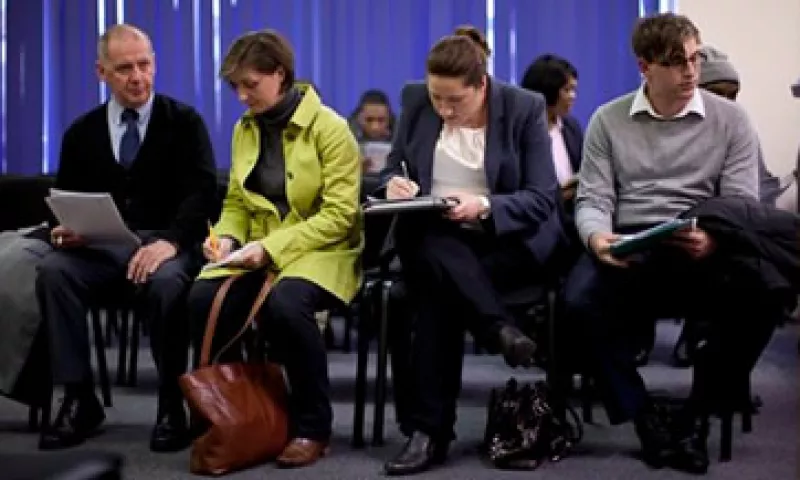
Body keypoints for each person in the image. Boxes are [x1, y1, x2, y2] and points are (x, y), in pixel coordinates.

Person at [564, 13, 781, 474]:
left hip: (704, 242)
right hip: (632, 244)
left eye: (695, 59)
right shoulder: (609, 119)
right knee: (577, 301)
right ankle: (644, 417)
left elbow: (741, 201)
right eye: (676, 62)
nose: (690, 72)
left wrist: (715, 237)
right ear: (645, 68)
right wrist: (597, 237)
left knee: (765, 294)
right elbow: (594, 198)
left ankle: (694, 417)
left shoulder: (731, 120)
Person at [380, 25, 562, 476]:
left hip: (503, 240)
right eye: (435, 97)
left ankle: (429, 434)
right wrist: (393, 184)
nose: (442, 109)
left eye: (454, 101)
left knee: (437, 294)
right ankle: (499, 328)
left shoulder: (523, 108)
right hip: (432, 234)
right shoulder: (415, 101)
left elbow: (543, 197)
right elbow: (391, 166)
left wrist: (483, 205)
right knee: (432, 248)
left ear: (481, 86)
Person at [36, 24, 218, 451]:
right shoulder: (81, 133)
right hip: (101, 249)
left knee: (167, 282)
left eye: (145, 64)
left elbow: (203, 194)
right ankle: (80, 399)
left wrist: (170, 242)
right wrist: (69, 231)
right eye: (124, 69)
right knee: (53, 272)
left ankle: (172, 403)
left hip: (168, 245)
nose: (138, 77)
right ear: (102, 72)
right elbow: (68, 198)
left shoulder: (185, 122)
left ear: (155, 64)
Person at [186, 29, 362, 469]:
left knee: (286, 305)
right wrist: (226, 237)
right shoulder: (244, 130)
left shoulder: (331, 128)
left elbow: (340, 216)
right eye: (235, 87)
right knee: (203, 297)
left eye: (251, 84)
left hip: (325, 248)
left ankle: (312, 426)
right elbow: (235, 203)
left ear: (280, 75)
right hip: (259, 247)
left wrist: (267, 249)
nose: (242, 97)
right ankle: (235, 416)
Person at [696, 45, 783, 205]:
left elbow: (763, 187)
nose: (726, 104)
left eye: (732, 95)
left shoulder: (740, 127)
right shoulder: (679, 134)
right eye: (717, 94)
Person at [520, 54, 583, 203]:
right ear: (547, 91)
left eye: (574, 90)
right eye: (567, 90)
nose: (572, 96)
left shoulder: (571, 127)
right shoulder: (519, 132)